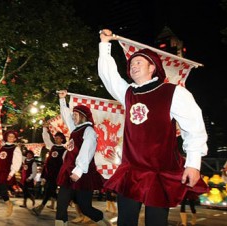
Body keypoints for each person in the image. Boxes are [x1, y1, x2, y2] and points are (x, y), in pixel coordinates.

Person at [98, 29, 208, 226]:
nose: (133, 66)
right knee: (125, 222)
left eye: (138, 62)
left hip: (160, 173)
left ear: (153, 67)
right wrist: (105, 44)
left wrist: (193, 164)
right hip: (131, 172)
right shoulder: (129, 93)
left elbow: (194, 128)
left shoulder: (173, 93)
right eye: (131, 64)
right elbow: (109, 77)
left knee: (156, 223)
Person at [55, 90, 111, 226]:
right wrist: (62, 100)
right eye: (73, 114)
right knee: (61, 205)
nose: (73, 117)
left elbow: (87, 151)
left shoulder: (89, 131)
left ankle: (105, 223)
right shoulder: (75, 130)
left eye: (75, 115)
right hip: (68, 173)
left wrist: (78, 170)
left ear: (83, 116)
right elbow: (66, 118)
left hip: (82, 175)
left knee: (86, 208)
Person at [0, 130, 22, 220]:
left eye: (12, 137)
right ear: (6, 137)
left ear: (15, 139)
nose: (10, 138)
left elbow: (17, 162)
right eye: (9, 136)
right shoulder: (1, 146)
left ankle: (9, 204)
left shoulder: (15, 149)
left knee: (3, 191)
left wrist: (11, 173)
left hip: (6, 172)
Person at [31, 126, 67, 216]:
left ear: (62, 140)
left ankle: (40, 208)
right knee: (50, 191)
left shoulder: (65, 150)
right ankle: (67, 202)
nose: (56, 139)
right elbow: (46, 138)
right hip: (49, 173)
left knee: (49, 191)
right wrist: (44, 128)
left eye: (58, 138)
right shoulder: (52, 147)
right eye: (55, 138)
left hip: (57, 174)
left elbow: (65, 163)